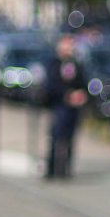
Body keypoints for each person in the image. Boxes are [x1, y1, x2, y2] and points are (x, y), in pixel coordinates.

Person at [44, 35, 87, 180]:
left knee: (69, 137)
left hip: (73, 108)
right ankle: (52, 169)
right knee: (56, 136)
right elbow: (51, 84)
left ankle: (65, 169)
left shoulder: (76, 63)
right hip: (60, 105)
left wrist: (80, 95)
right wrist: (67, 95)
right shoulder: (54, 63)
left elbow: (83, 82)